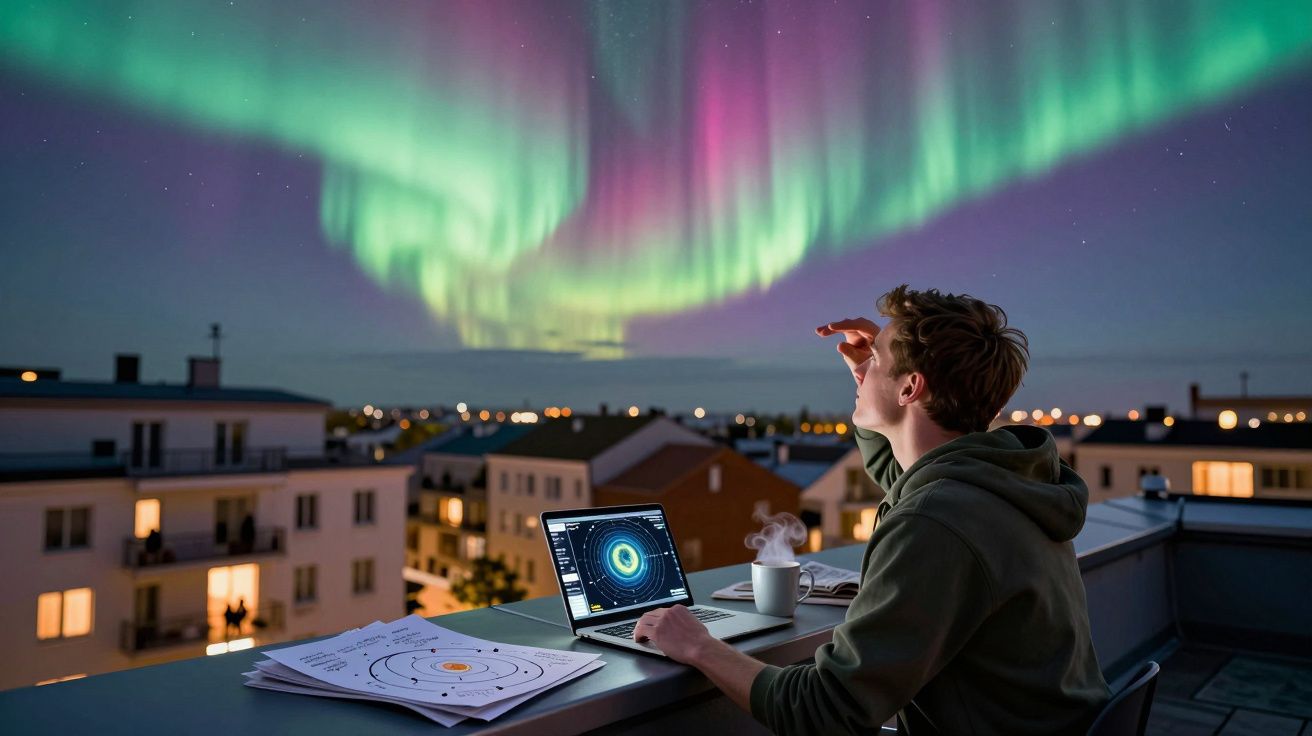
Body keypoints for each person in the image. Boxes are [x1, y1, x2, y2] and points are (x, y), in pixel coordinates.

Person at [634, 285, 1111, 734]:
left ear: (910, 389)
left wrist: (699, 647)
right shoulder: (1002, 481)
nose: (862, 370)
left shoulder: (938, 521)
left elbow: (824, 711)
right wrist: (873, 373)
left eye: (877, 361)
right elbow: (899, 474)